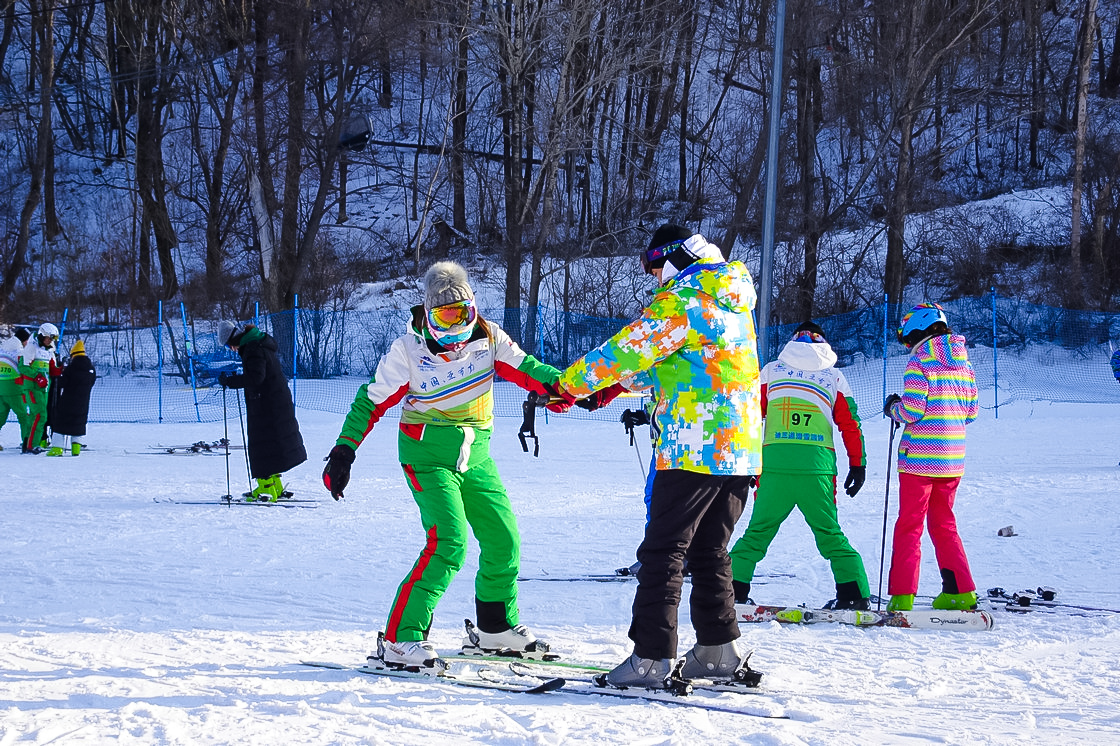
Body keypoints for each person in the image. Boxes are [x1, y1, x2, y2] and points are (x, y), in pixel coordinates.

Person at [321, 261, 568, 670]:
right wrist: (345, 449)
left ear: (473, 308)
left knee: (504, 538)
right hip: (428, 456)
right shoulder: (408, 352)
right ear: (428, 314)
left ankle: (495, 627)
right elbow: (371, 400)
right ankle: (402, 638)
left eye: (462, 313)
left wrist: (568, 386)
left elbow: (528, 370)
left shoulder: (488, 337)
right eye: (444, 315)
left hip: (477, 455)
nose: (455, 326)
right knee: (449, 542)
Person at [555, 224, 763, 687]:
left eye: (655, 268)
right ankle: (718, 649)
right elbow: (686, 366)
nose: (655, 279)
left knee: (663, 550)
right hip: (739, 449)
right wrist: (611, 392)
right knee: (710, 548)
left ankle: (651, 657)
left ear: (672, 259)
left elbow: (626, 350)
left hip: (694, 444)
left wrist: (568, 385)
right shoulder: (731, 297)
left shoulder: (685, 298)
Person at [728, 322, 870, 610]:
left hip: (774, 464)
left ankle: (730, 591)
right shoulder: (834, 376)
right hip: (816, 467)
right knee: (829, 532)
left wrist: (747, 462)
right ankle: (853, 592)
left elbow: (748, 417)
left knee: (757, 532)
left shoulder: (771, 371)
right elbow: (850, 424)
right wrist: (858, 464)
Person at [883, 303, 979, 611]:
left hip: (920, 458)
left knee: (910, 525)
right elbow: (972, 411)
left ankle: (902, 596)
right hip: (951, 459)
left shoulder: (920, 363)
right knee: (944, 523)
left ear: (917, 330)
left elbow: (911, 410)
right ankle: (960, 591)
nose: (908, 345)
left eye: (908, 338)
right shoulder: (965, 365)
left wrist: (893, 408)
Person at [217, 321, 307, 501]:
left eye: (228, 345)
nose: (231, 349)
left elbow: (256, 378)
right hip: (275, 400)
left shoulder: (252, 348)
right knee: (272, 442)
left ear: (233, 339)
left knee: (262, 443)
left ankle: (266, 487)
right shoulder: (258, 343)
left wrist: (230, 382)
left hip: (267, 404)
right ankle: (274, 483)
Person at [47, 339, 97, 457]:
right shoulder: (91, 369)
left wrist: (57, 376)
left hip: (68, 402)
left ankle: (57, 449)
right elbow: (92, 382)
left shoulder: (71, 368)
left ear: (73, 355)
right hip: (83, 403)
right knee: (79, 424)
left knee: (60, 424)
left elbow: (62, 383)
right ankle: (76, 449)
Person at [20, 323, 60, 453]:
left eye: (52, 339)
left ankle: (27, 443)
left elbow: (51, 368)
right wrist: (37, 377)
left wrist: (61, 370)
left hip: (44, 388)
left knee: (33, 416)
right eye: (49, 338)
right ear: (42, 335)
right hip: (33, 387)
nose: (50, 341)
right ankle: (33, 444)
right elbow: (23, 367)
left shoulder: (49, 349)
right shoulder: (32, 348)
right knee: (40, 415)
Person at [0, 324, 31, 450]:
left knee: (0, 416)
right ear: (24, 340)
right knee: (24, 417)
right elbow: (25, 369)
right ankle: (26, 442)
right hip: (15, 389)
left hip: (0, 389)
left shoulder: (1, 350)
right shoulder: (20, 352)